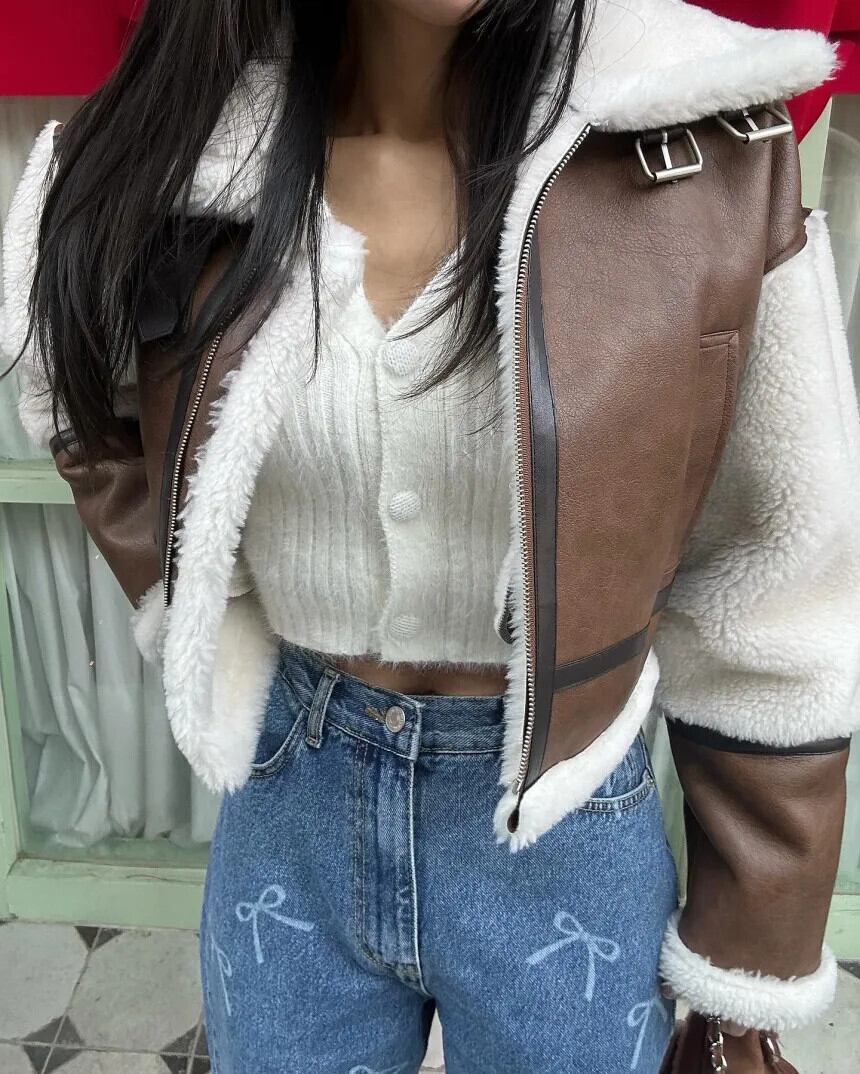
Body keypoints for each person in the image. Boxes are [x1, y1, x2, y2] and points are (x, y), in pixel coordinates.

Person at [3, 1, 858, 1071]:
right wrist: (197, 619)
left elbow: (773, 572)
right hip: (289, 803)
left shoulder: (697, 150)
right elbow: (83, 403)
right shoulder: (174, 154)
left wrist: (748, 953)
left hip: (561, 821)